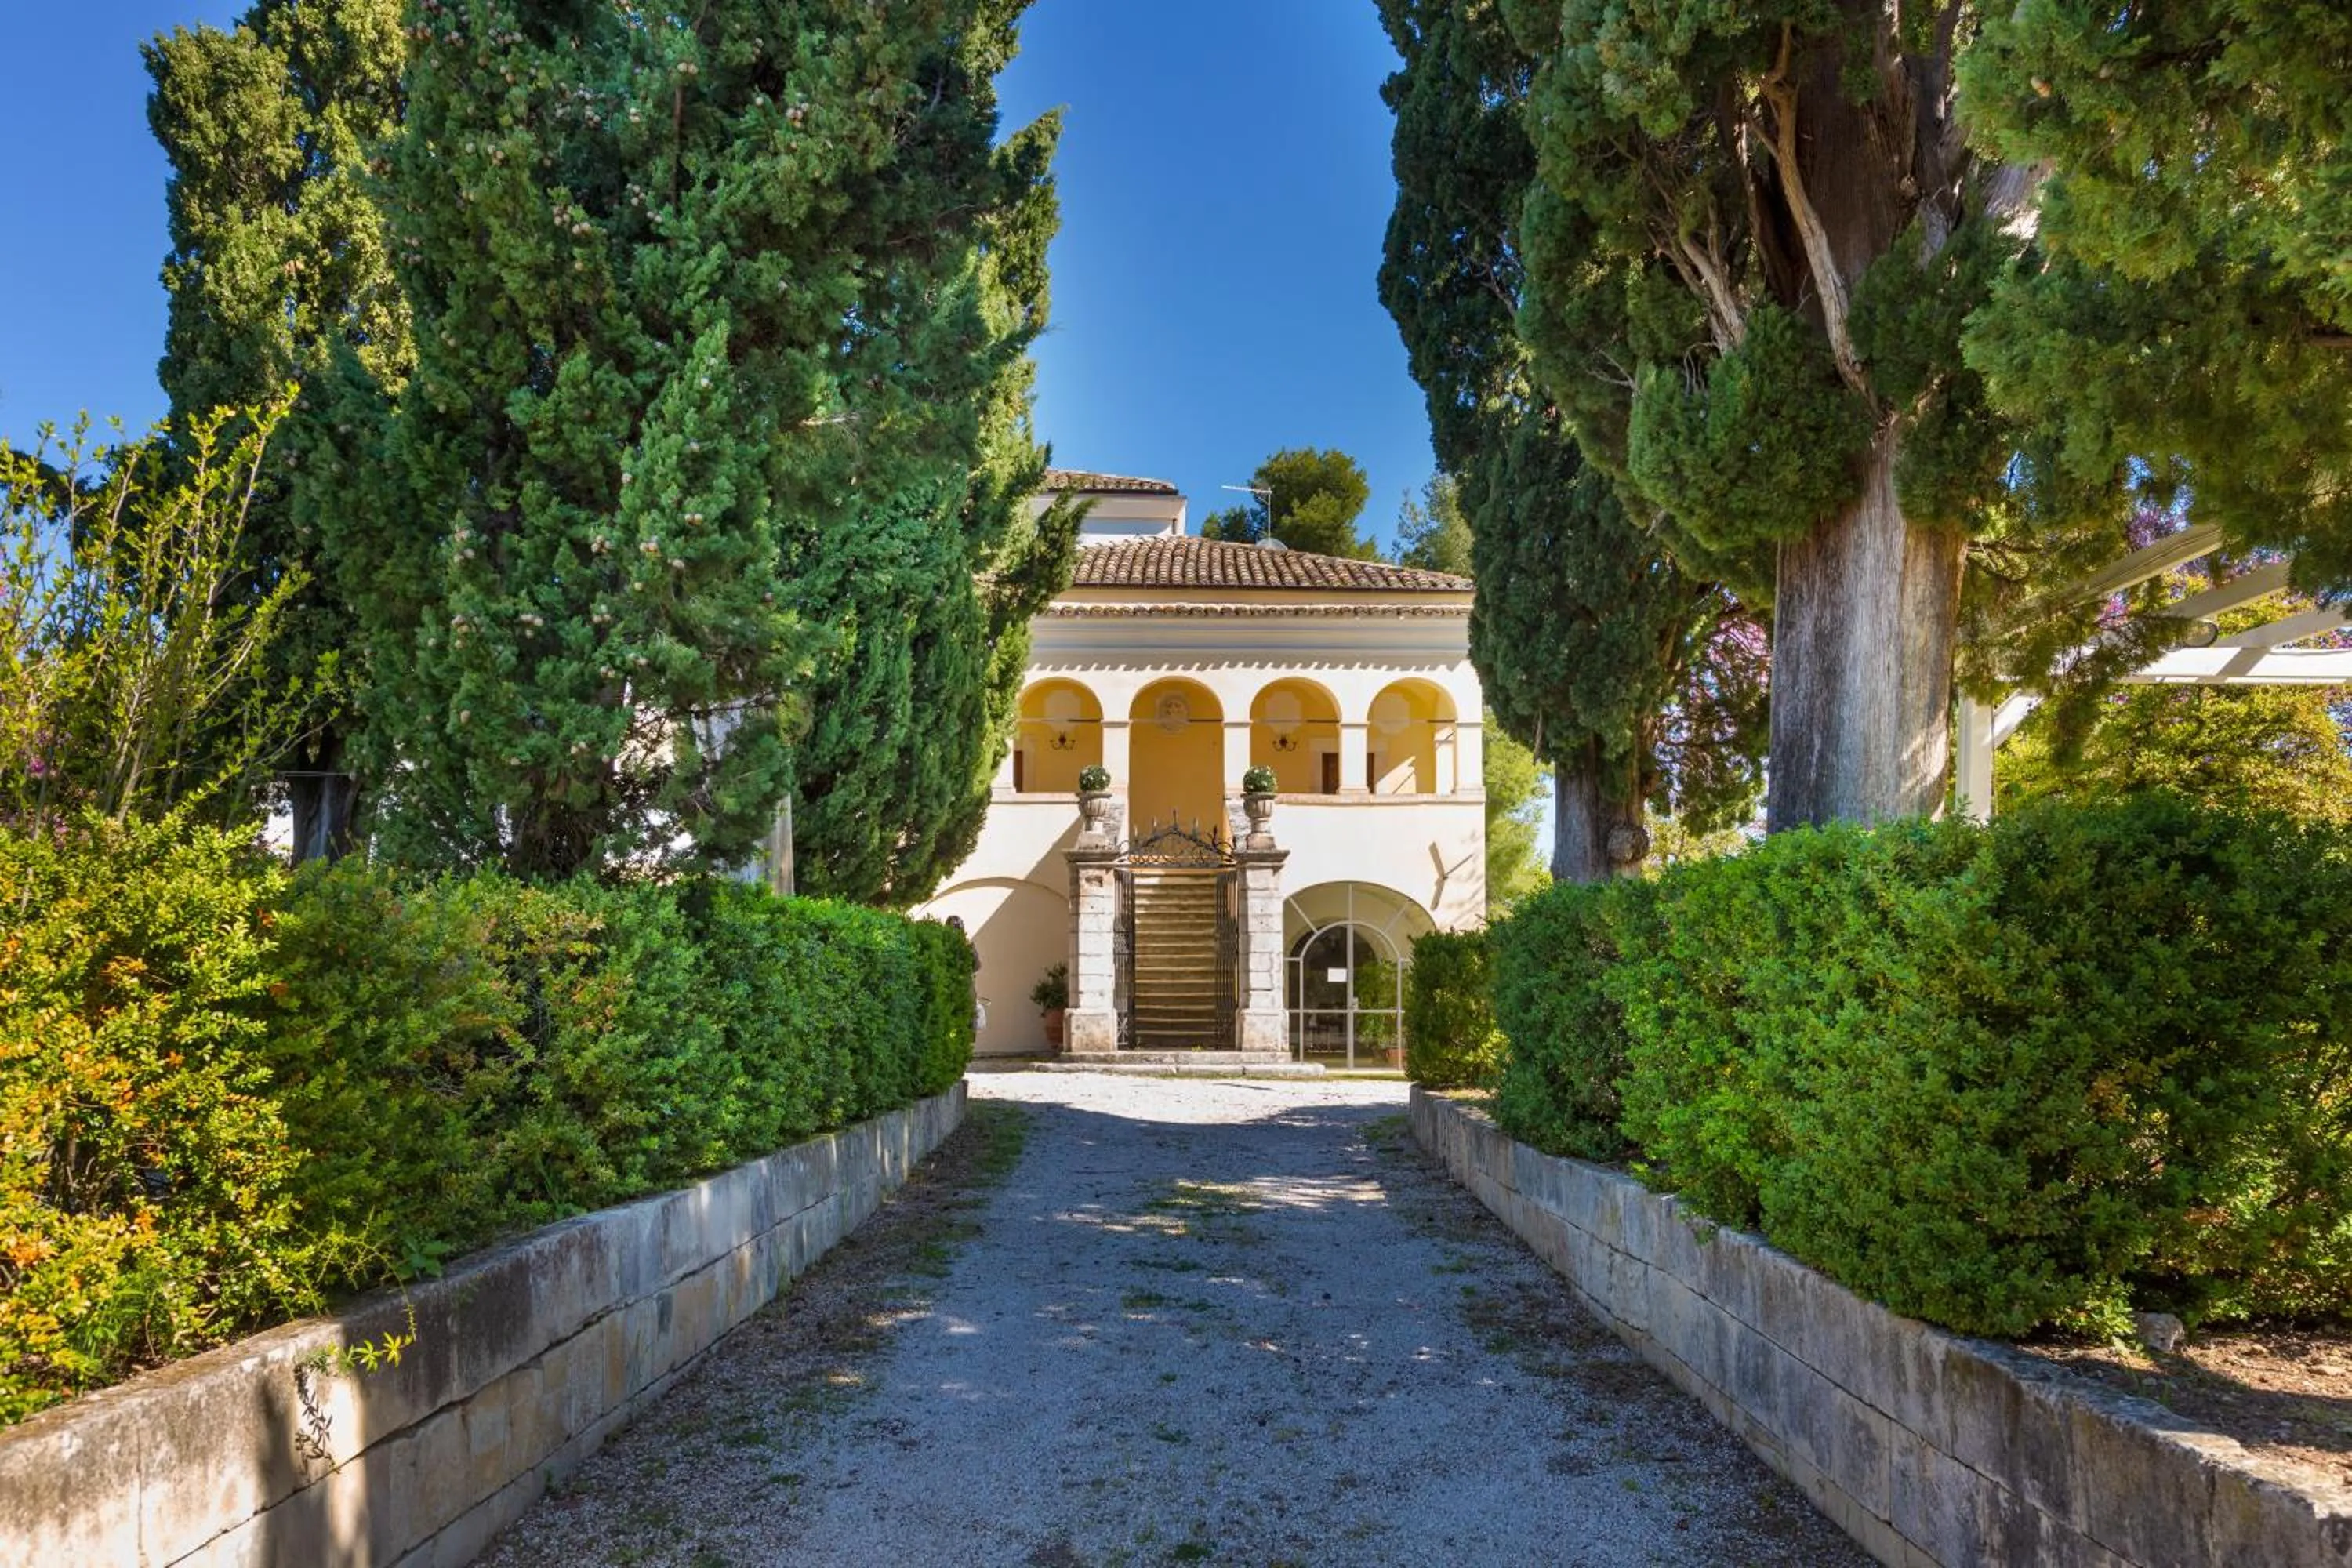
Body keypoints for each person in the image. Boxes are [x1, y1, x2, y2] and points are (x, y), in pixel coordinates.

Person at [945, 916, 985, 1034]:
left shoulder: (948, 946)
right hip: (962, 990)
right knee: (964, 1026)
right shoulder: (968, 945)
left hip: (957, 989)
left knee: (957, 1026)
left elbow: (977, 966)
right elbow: (977, 966)